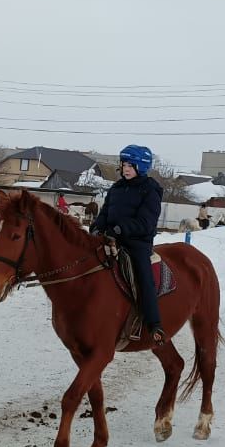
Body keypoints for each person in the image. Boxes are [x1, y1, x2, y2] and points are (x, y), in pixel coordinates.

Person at [90, 144, 165, 343]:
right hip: (110, 237)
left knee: (143, 274)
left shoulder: (150, 190)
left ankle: (153, 323)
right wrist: (97, 227)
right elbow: (105, 213)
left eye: (131, 165)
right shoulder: (117, 187)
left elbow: (146, 222)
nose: (126, 169)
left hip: (137, 243)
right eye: (124, 164)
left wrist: (119, 229)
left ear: (141, 167)